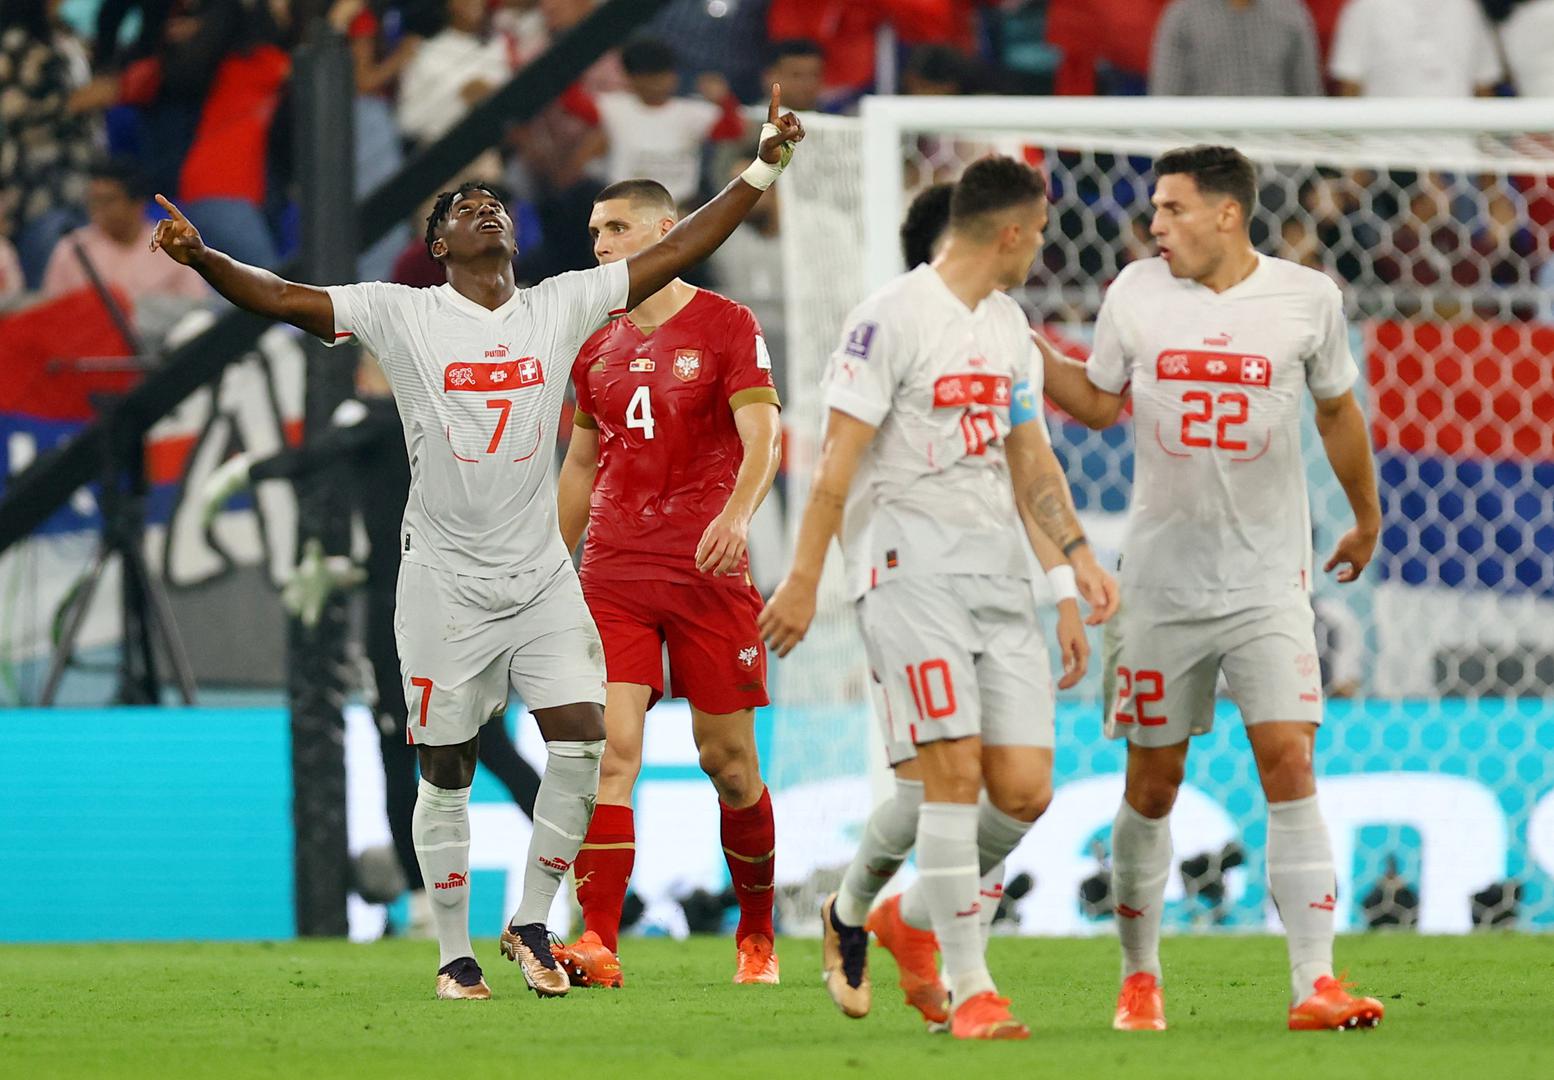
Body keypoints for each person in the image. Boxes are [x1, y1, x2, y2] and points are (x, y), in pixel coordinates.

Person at [151, 87, 804, 1001]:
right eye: (464, 207)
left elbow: (680, 248)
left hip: (539, 575)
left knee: (583, 745)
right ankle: (454, 953)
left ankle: (534, 921)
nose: (485, 208)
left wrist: (763, 167)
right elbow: (284, 297)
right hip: (443, 581)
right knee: (447, 767)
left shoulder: (562, 305)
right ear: (439, 246)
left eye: (494, 202)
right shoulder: (399, 312)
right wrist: (205, 258)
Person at [759, 156, 1116, 1041]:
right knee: (949, 775)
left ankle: (895, 917)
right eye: (1038, 235)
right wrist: (805, 577)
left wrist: (1070, 571)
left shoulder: (1008, 326)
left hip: (997, 576)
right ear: (1010, 233)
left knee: (1024, 791)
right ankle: (972, 987)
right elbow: (835, 462)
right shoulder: (888, 319)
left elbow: (1031, 460)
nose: (1040, 250)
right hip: (905, 572)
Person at [1035, 144, 1387, 1033]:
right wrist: (1030, 350)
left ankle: (1315, 982)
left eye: (1173, 209)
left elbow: (1337, 412)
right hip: (1160, 587)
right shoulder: (1136, 292)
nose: (1155, 225)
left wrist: (1365, 516)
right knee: (1153, 784)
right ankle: (1139, 975)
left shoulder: (1307, 298)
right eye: (1155, 209)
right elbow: (1099, 403)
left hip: (1269, 582)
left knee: (1290, 761)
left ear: (1227, 214)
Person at [197, 359, 544, 935]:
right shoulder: (439, 425)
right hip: (461, 609)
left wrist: (244, 472)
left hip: (408, 618)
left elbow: (315, 459)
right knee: (486, 749)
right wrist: (351, 569)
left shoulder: (376, 420)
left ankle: (426, 903)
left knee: (401, 752)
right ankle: (578, 873)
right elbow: (402, 532)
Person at [551, 178, 783, 988]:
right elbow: (581, 464)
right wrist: (548, 567)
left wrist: (738, 516)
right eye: (595, 231)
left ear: (664, 231)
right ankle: (597, 940)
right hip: (614, 573)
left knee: (729, 765)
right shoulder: (593, 343)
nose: (602, 245)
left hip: (707, 571)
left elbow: (764, 437)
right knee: (609, 753)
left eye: (617, 227)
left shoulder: (727, 325)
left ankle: (757, 933)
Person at [41, 158, 208, 303]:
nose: (98, 209)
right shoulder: (72, 249)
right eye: (93, 201)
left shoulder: (174, 247)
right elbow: (54, 312)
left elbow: (198, 310)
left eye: (108, 201)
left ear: (138, 204)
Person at [1148, 0, 1322, 97]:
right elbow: (1166, 95)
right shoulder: (1183, 15)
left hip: (1275, 143)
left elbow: (1308, 93)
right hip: (1204, 143)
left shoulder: (1291, 12)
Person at [1329, 0, 1501, 97]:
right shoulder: (1364, 7)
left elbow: (1484, 84)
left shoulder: (1467, 8)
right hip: (1383, 146)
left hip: (1456, 146)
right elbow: (1349, 84)